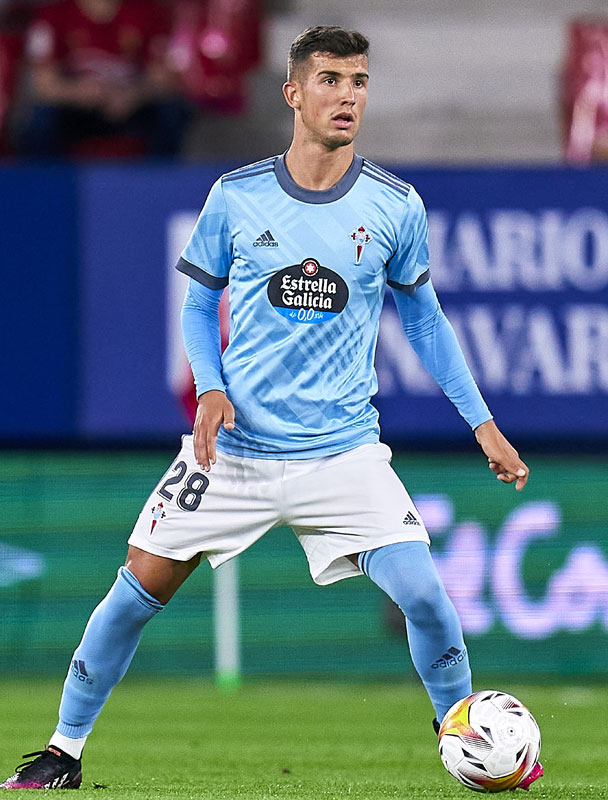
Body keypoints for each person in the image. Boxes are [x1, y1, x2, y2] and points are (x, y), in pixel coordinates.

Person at [1, 25, 543, 791]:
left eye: (359, 81)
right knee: (133, 593)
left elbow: (425, 321)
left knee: (425, 593)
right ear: (293, 93)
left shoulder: (395, 205)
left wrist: (482, 424)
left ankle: (461, 736)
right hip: (235, 452)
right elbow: (199, 306)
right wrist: (211, 386)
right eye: (330, 80)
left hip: (343, 454)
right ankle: (63, 750)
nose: (348, 96)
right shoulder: (237, 195)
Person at [16, 0, 190, 157]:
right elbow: (42, 85)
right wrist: (79, 93)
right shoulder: (51, 15)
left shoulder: (149, 12)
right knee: (39, 121)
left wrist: (133, 95)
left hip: (131, 105)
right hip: (75, 108)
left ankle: (162, 178)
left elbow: (162, 80)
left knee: (173, 111)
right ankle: (45, 179)